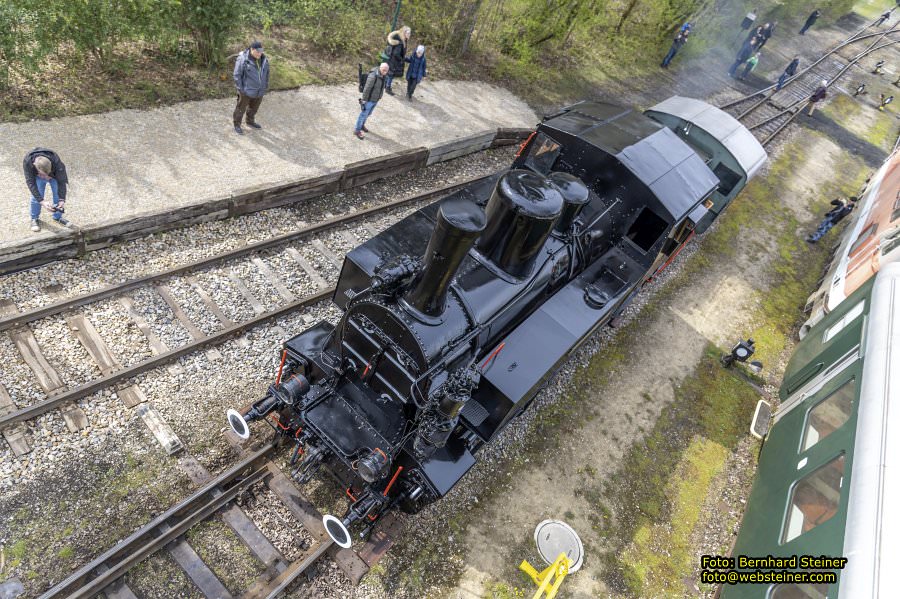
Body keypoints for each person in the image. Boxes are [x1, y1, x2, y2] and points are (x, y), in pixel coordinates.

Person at [24, 148, 70, 232]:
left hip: (54, 175)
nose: (45, 178)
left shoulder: (56, 161)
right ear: (34, 165)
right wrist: (42, 201)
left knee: (58, 195)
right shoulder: (28, 162)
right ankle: (34, 218)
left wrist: (62, 199)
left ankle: (58, 217)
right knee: (36, 197)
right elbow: (31, 183)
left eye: (46, 175)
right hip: (37, 176)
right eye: (42, 174)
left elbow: (62, 181)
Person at [232, 41, 270, 135]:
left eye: (261, 51)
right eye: (257, 51)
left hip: (259, 91)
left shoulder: (264, 60)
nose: (260, 53)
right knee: (240, 109)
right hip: (245, 91)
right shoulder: (242, 59)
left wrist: (265, 86)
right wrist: (241, 90)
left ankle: (250, 121)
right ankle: (237, 125)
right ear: (252, 49)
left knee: (254, 108)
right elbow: (237, 75)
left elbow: (267, 74)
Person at [355, 63, 389, 139]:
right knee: (363, 114)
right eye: (384, 70)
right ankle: (357, 130)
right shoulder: (373, 76)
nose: (385, 72)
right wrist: (364, 100)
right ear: (380, 68)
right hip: (369, 100)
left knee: (368, 114)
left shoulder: (384, 76)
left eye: (386, 71)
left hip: (375, 99)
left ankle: (362, 125)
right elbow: (367, 88)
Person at [385, 26, 411, 95]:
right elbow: (396, 53)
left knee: (390, 74)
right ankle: (387, 88)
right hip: (394, 60)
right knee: (391, 74)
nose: (409, 35)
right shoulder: (400, 42)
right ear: (404, 33)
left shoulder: (403, 40)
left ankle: (386, 85)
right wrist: (401, 59)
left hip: (394, 60)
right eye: (408, 33)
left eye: (410, 33)